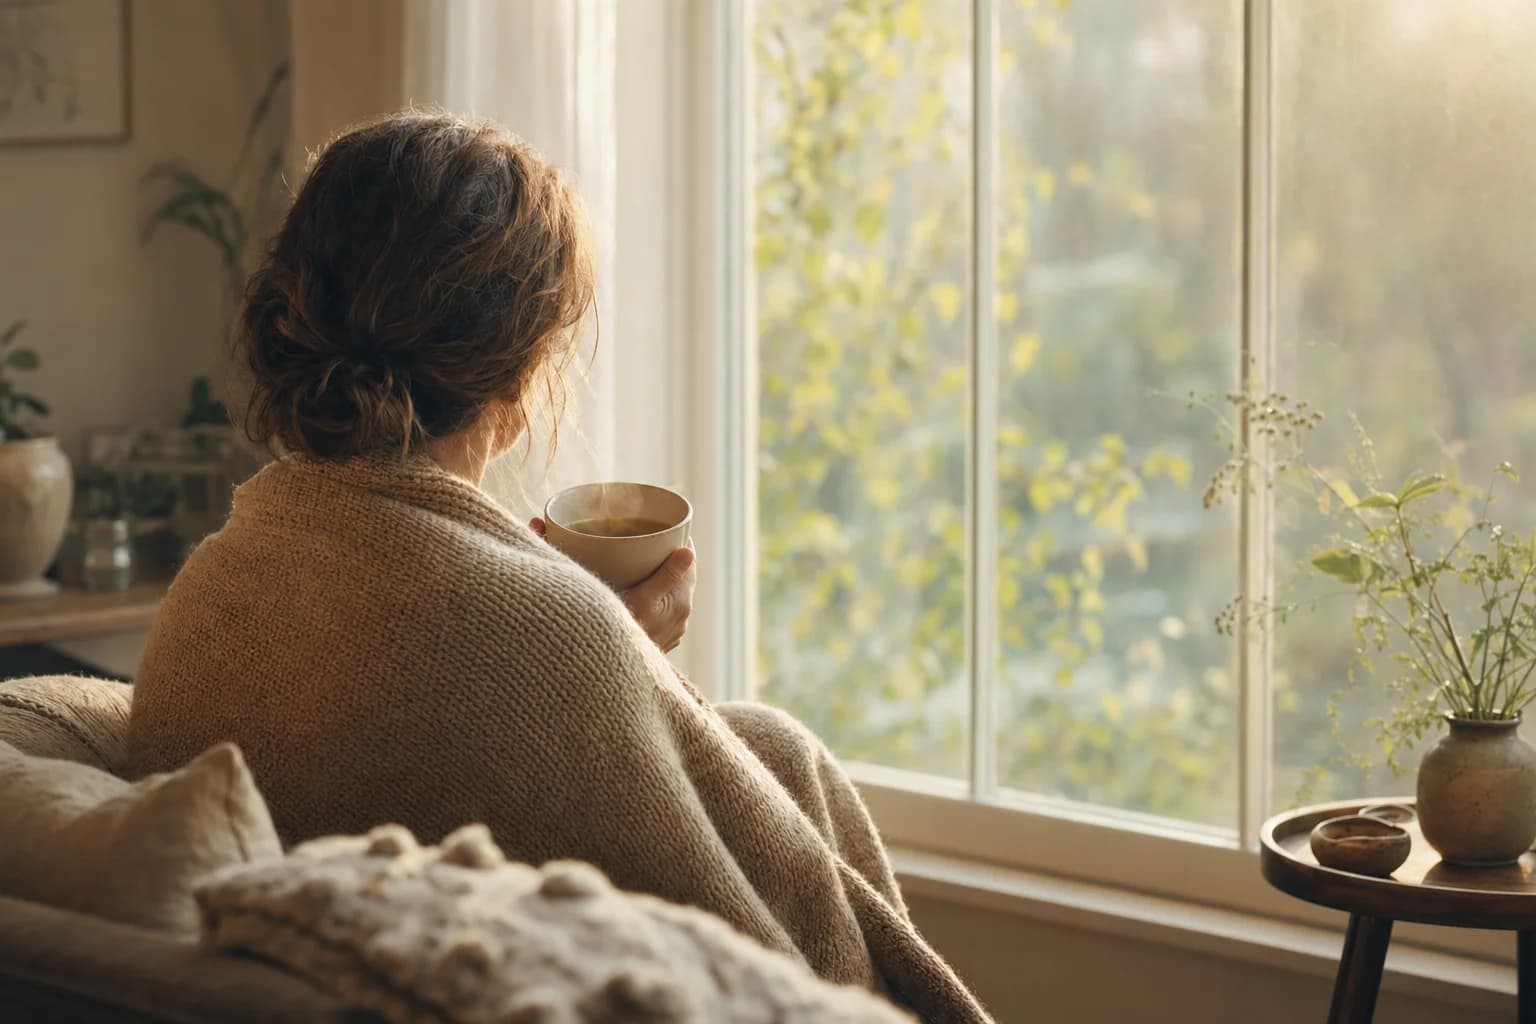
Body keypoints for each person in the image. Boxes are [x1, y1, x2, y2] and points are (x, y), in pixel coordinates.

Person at [126, 111, 988, 1023]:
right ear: (517, 370)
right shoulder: (550, 638)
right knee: (777, 752)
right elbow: (754, 969)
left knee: (770, 744)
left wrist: (602, 646)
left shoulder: (206, 593)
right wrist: (609, 648)